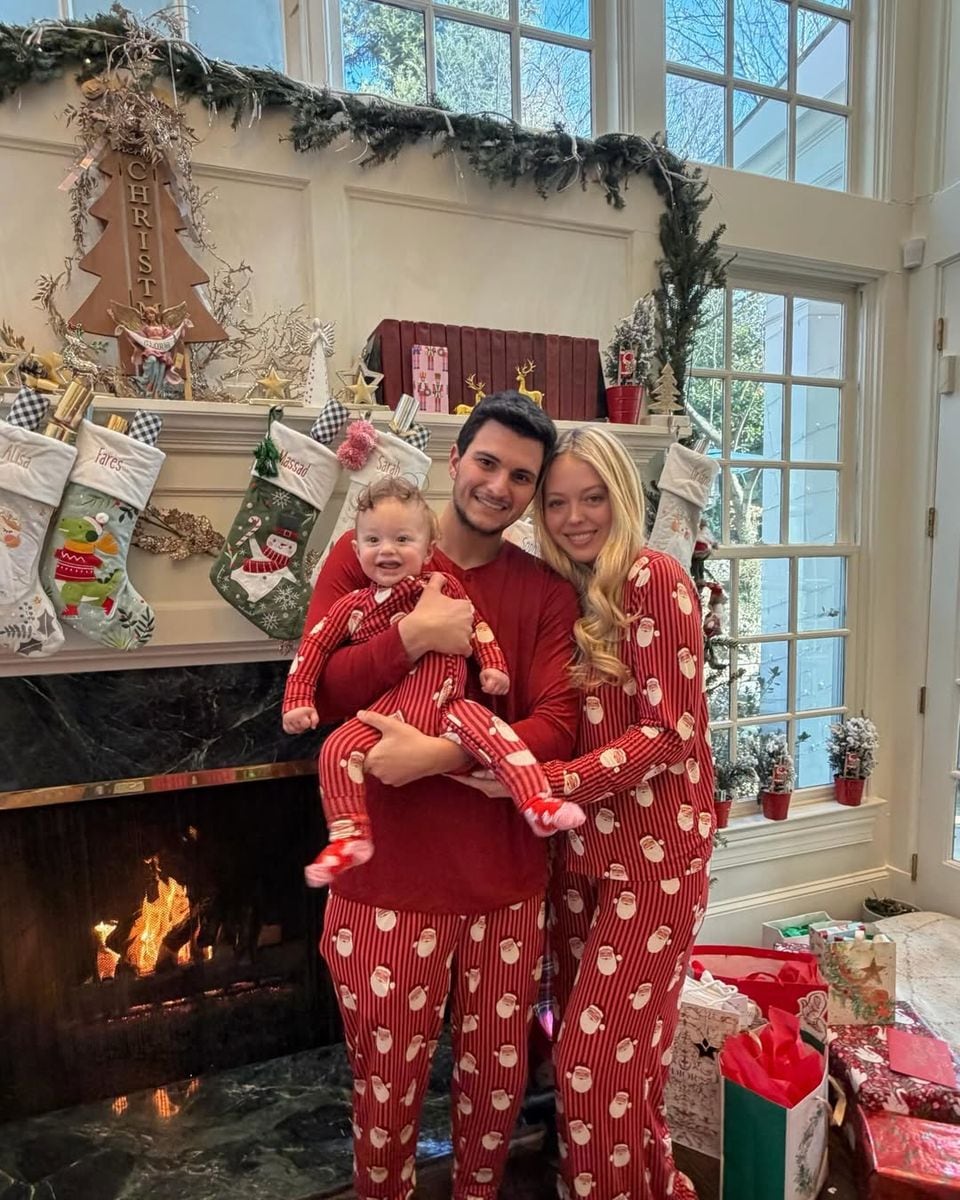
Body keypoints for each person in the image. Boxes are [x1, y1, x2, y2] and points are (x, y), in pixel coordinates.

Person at [301, 391, 582, 1200]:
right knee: (384, 1099)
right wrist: (412, 637)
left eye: (521, 477)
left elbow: (558, 725)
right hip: (385, 888)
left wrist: (440, 755)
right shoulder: (370, 551)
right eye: (486, 462)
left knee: (495, 1101)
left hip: (505, 892)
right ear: (454, 460)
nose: (498, 485)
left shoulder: (545, 591)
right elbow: (323, 693)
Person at [532, 425, 715, 1200]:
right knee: (622, 1077)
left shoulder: (654, 577)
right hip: (580, 862)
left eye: (592, 497)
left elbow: (669, 732)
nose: (575, 517)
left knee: (590, 1068)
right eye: (557, 502)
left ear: (622, 496)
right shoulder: (561, 590)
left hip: (655, 864)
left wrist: (555, 784)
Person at [282, 476, 585, 884]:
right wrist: (298, 699)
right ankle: (348, 835)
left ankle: (536, 801)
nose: (387, 550)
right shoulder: (352, 607)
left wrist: (493, 665)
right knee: (334, 748)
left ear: (428, 550)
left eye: (402, 539)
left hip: (449, 706)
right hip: (386, 715)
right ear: (357, 550)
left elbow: (477, 626)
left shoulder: (444, 588)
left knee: (496, 733)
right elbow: (314, 649)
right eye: (373, 541)